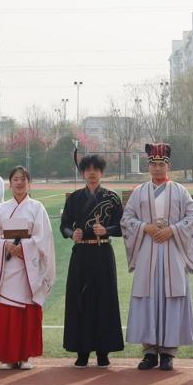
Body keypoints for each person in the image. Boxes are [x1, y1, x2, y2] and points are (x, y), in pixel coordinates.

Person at [121, 142, 193, 371]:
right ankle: (149, 352)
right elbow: (126, 220)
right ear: (148, 166)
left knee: (171, 297)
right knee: (148, 297)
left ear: (168, 166)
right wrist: (145, 227)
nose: (157, 168)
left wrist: (172, 230)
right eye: (153, 164)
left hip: (172, 251)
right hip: (148, 251)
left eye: (161, 164)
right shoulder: (139, 192)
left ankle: (168, 352)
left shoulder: (180, 191)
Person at [0, 166, 55, 370]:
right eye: (15, 179)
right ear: (10, 183)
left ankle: (25, 355)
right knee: (6, 310)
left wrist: (25, 247)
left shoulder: (37, 208)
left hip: (28, 267)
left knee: (27, 310)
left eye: (23, 179)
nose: (19, 183)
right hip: (6, 267)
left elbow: (44, 237)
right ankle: (7, 356)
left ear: (29, 183)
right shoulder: (2, 209)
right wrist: (5, 245)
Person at [60, 153, 124, 368]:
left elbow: (122, 227)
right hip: (81, 255)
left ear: (102, 172)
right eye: (88, 169)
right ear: (83, 173)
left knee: (104, 301)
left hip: (103, 253)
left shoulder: (112, 198)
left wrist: (107, 230)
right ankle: (82, 351)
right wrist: (72, 234)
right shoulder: (74, 198)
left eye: (96, 169)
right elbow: (64, 225)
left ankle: (103, 352)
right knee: (80, 301)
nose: (92, 173)